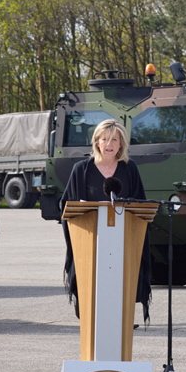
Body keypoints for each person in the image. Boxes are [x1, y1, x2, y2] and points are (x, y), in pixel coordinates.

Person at [59, 119, 150, 320]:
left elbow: (140, 203)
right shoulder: (82, 169)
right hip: (90, 241)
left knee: (121, 281)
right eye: (105, 139)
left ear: (121, 144)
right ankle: (92, 317)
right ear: (96, 142)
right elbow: (65, 205)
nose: (109, 144)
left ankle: (121, 320)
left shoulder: (129, 168)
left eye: (114, 140)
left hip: (123, 240)